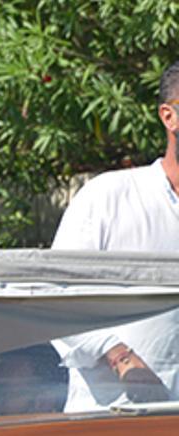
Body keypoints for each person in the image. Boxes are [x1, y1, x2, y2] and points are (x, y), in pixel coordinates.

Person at [51, 59, 179, 410]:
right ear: (169, 117)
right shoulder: (109, 196)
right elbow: (56, 296)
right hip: (111, 427)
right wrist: (118, 355)